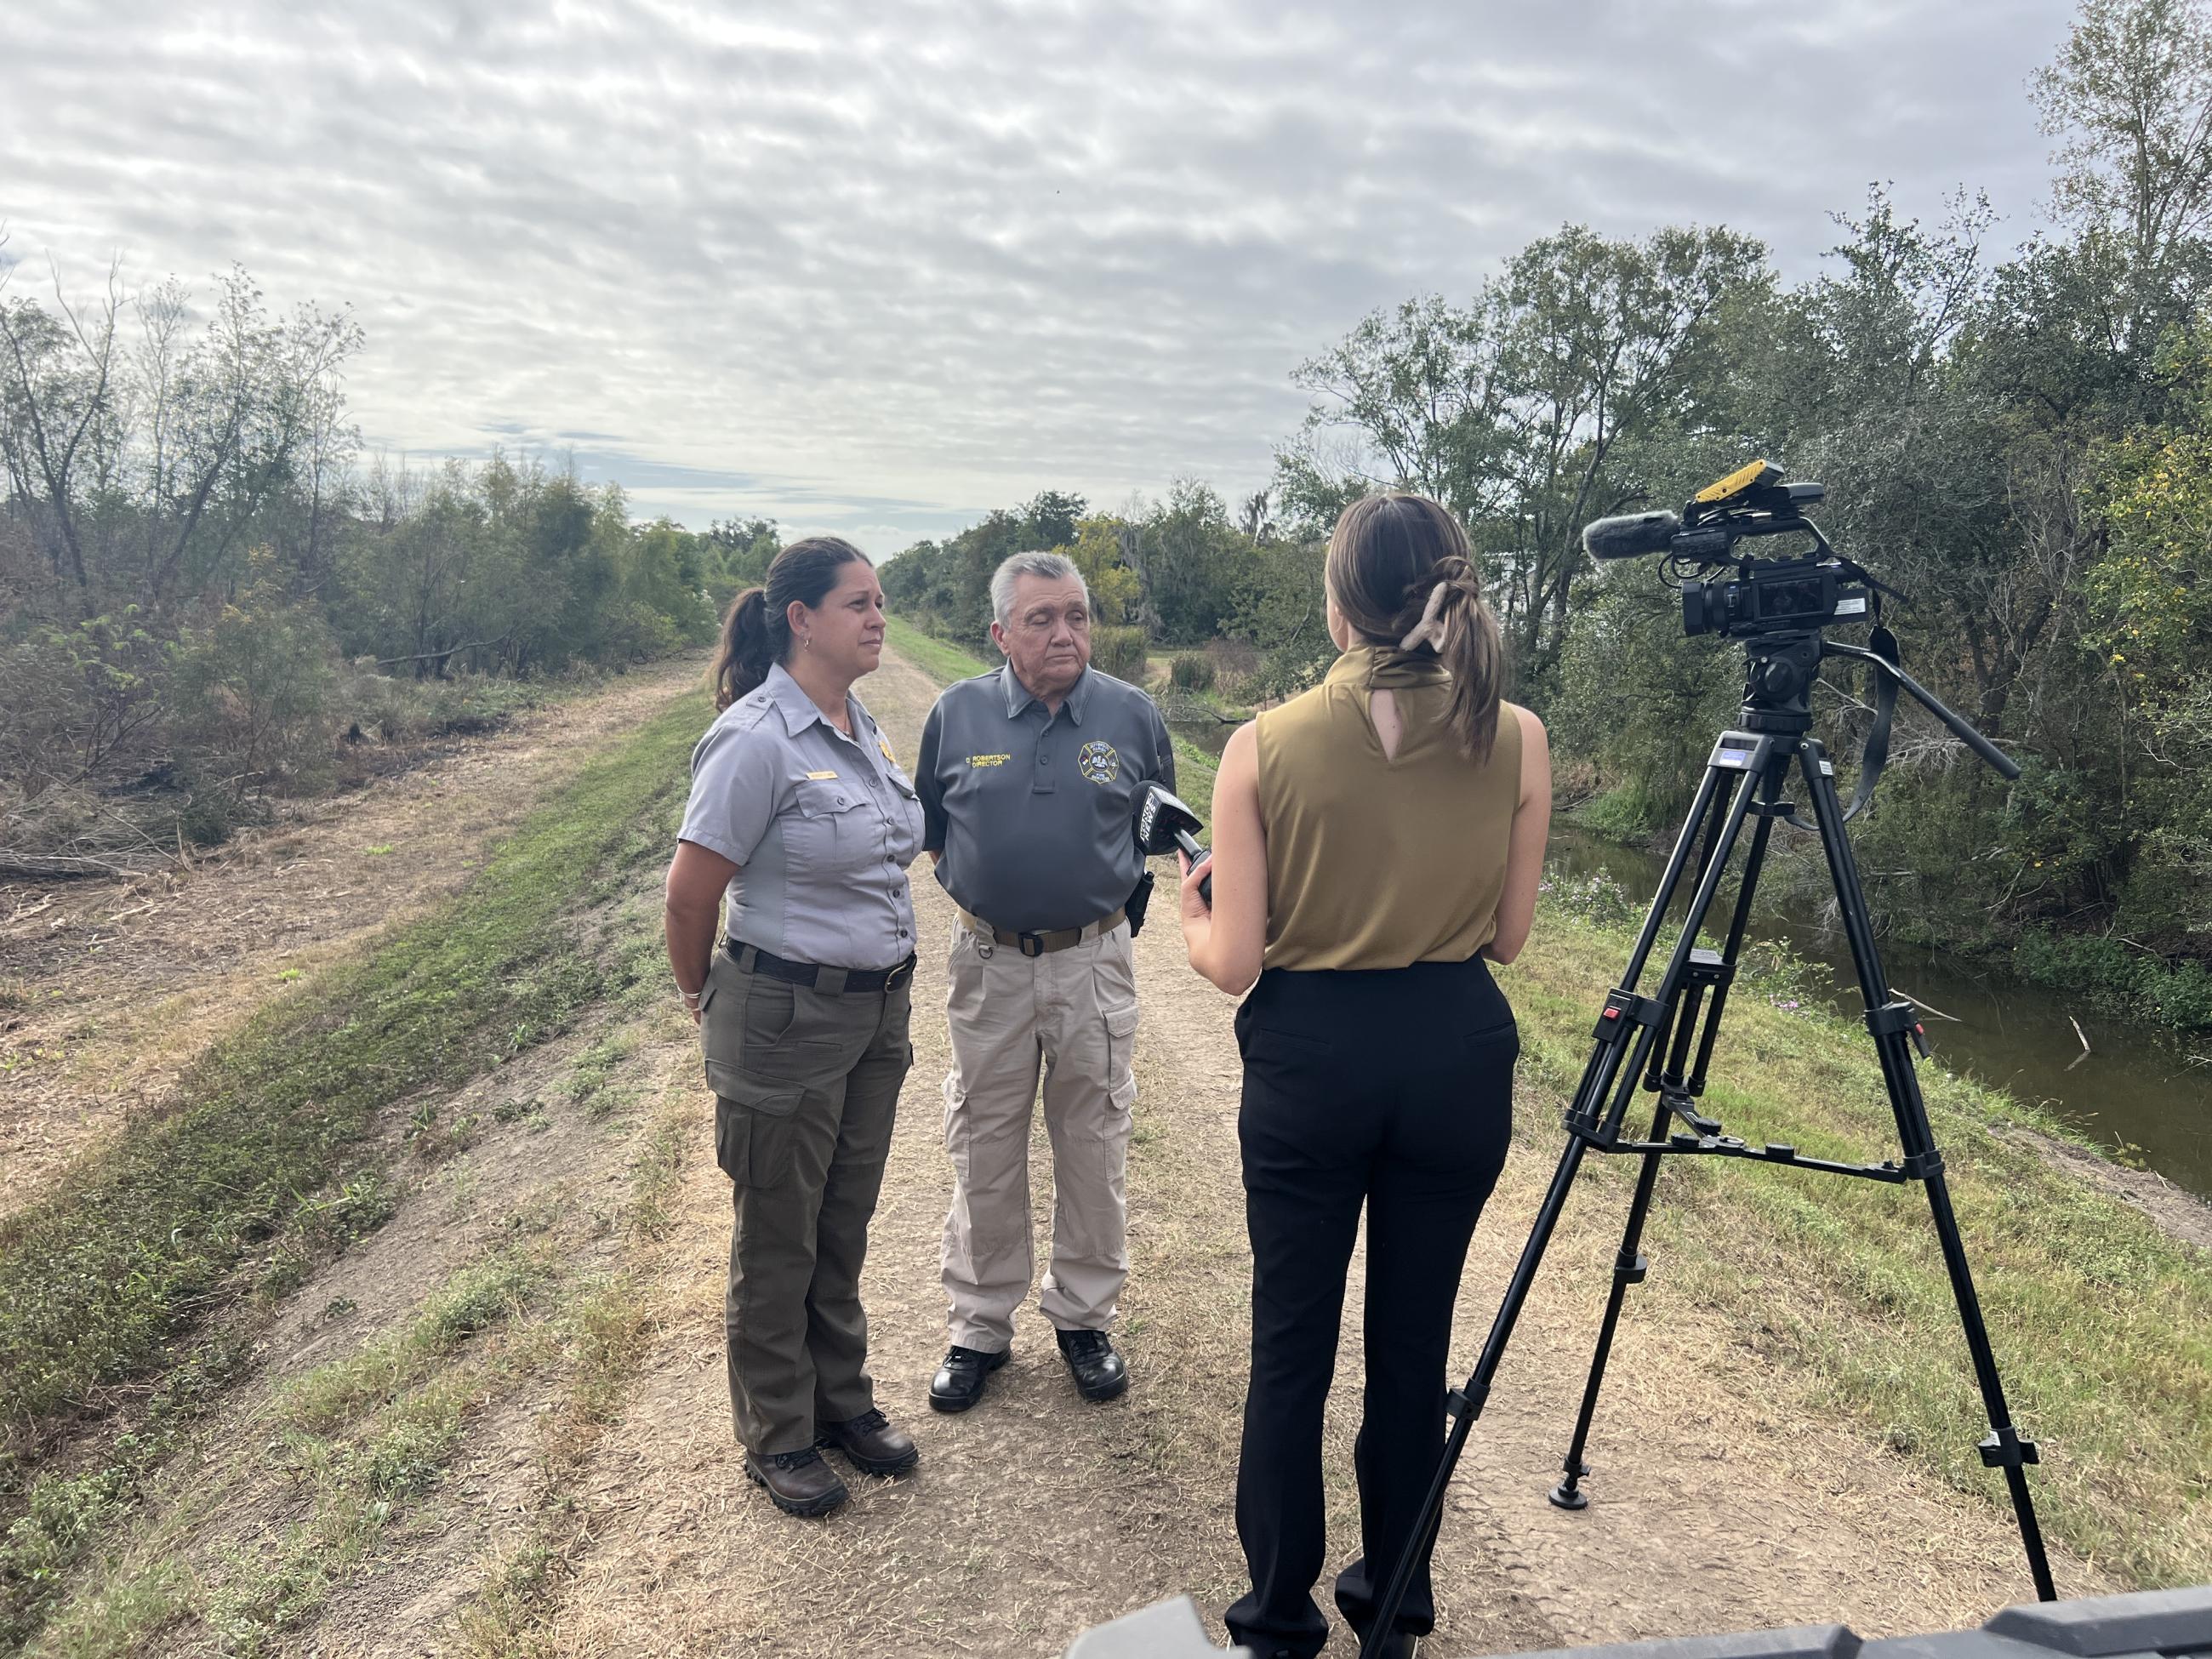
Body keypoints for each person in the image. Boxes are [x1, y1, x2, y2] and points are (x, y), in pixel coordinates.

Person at [1177, 494, 1551, 1659]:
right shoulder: (1520, 737)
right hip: (1452, 1051)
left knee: (1291, 1341)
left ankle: (1276, 1617)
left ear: (1337, 604)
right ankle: (1394, 1604)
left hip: (1313, 1055)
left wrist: (1193, 913)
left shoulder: (1263, 742)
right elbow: (1508, 936)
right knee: (1412, 1344)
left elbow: (1234, 962)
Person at [663, 536, 926, 1519]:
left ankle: (840, 1401)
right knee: (777, 1236)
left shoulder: (862, 725)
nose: (877, 618)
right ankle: (778, 1433)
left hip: (872, 1017)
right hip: (782, 1018)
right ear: (800, 619)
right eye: (857, 603)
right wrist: (708, 1002)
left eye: (881, 602)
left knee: (840, 1224)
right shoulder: (754, 737)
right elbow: (690, 898)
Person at [912, 550, 1176, 1412]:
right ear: (999, 632)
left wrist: (1103, 923)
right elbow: (934, 835)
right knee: (982, 1141)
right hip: (987, 963)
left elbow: (1154, 833)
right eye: (1040, 619)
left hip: (1091, 963)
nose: (1064, 634)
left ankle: (1083, 1317)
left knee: (1092, 1145)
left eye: (1076, 615)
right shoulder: (955, 715)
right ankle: (979, 1326)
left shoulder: (1132, 716)